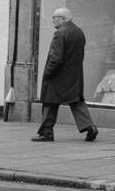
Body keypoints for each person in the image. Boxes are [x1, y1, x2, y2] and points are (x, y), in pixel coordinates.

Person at [32, 8, 99, 144]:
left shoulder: (60, 33)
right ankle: (89, 126)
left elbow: (55, 58)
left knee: (50, 103)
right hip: (74, 75)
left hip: (58, 76)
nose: (52, 20)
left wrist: (48, 73)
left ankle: (46, 133)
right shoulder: (78, 32)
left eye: (55, 18)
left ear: (63, 19)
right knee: (76, 101)